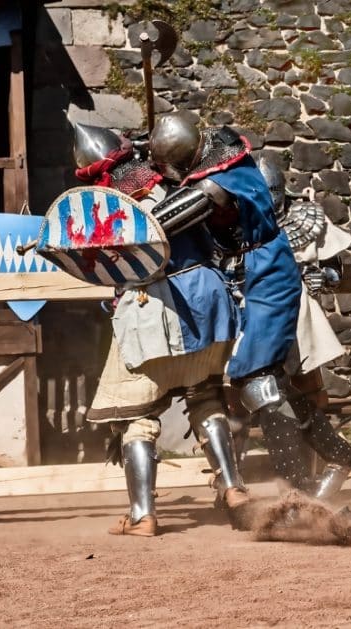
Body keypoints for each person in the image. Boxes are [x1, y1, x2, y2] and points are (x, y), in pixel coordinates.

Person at [72, 122, 248, 537]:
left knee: (136, 415)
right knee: (205, 396)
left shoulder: (104, 206)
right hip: (208, 299)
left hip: (152, 305)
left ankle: (143, 515)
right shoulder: (179, 185)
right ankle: (232, 488)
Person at [146, 112, 304, 493]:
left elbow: (160, 222)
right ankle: (254, 483)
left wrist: (118, 229)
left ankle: (301, 481)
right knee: (244, 382)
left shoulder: (222, 176)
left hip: (267, 268)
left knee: (256, 378)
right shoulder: (219, 157)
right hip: (244, 270)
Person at [249, 153, 351, 501]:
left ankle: (308, 485)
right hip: (251, 314)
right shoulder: (239, 224)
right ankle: (236, 487)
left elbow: (336, 270)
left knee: (305, 395)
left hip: (298, 317)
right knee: (244, 402)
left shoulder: (305, 219)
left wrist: (321, 277)